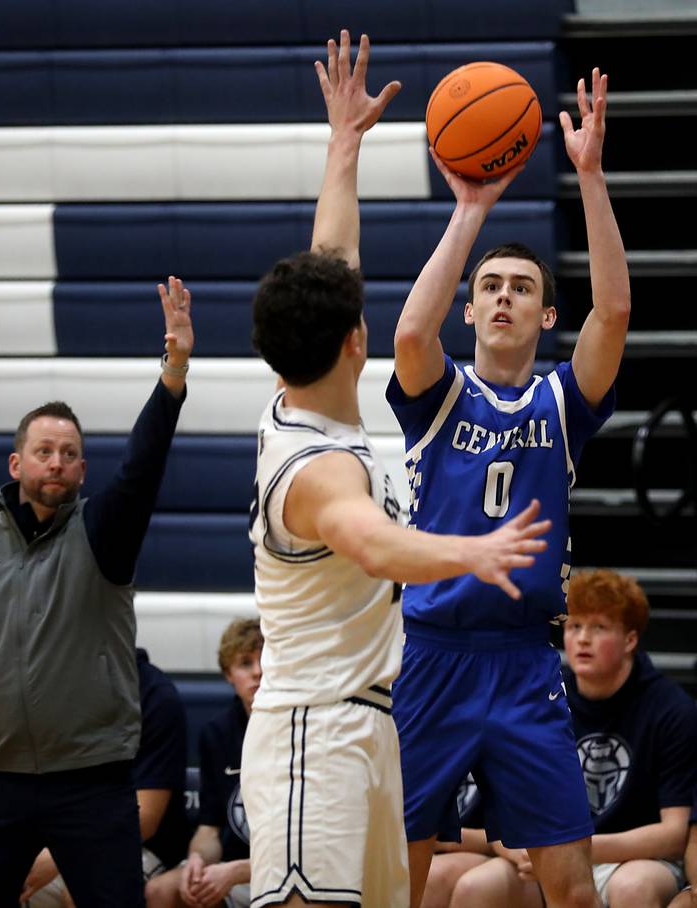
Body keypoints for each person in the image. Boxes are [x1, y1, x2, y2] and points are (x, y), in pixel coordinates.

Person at [243, 31, 552, 908]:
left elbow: (333, 258)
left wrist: (344, 145)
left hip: (366, 730)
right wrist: (472, 552)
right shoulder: (317, 471)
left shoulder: (304, 392)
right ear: (357, 344)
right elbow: (373, 545)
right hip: (316, 738)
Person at [387, 69, 631, 908]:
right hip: (433, 657)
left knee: (572, 885)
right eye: (489, 288)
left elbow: (615, 315)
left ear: (543, 316)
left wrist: (590, 179)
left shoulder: (560, 402)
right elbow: (410, 331)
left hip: (527, 662)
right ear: (471, 309)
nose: (502, 298)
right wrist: (471, 210)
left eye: (521, 288)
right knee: (400, 879)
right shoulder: (438, 394)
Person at [0, 277, 194, 908]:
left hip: (91, 782)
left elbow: (143, 466)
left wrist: (173, 372)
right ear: (18, 465)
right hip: (0, 778)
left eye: (69, 453)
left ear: (82, 470)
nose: (57, 462)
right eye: (44, 451)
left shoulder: (103, 533)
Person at [419, 570, 697, 908]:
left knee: (633, 886)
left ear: (630, 640)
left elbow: (672, 835)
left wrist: (567, 853)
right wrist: (524, 849)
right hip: (555, 854)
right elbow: (510, 810)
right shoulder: (544, 697)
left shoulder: (672, 709)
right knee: (480, 886)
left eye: (599, 627)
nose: (582, 639)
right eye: (574, 626)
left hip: (633, 858)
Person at [0, 647, 191, 908]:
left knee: (84, 887)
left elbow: (146, 816)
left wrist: (53, 858)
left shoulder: (155, 695)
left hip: (132, 842)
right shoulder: (40, 685)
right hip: (44, 828)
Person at [146, 617, 262, 908]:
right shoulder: (218, 733)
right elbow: (209, 829)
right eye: (246, 664)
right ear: (228, 675)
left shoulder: (300, 726)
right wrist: (197, 859)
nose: (259, 672)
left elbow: (306, 848)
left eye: (266, 660)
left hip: (287, 868)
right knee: (165, 891)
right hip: (231, 865)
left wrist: (235, 872)